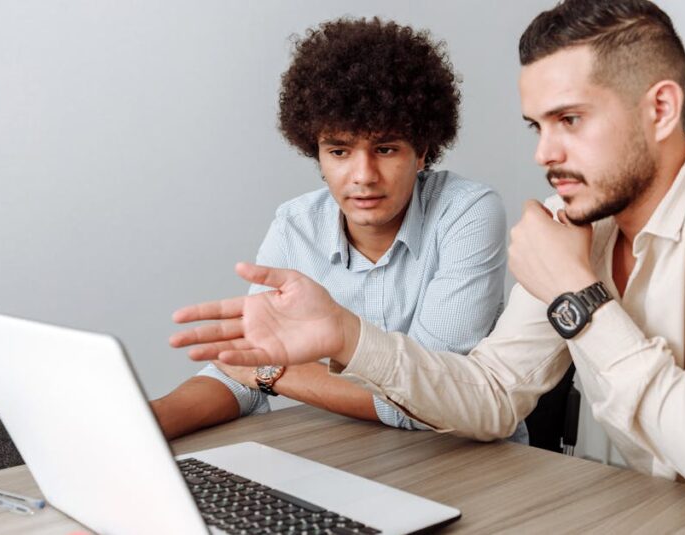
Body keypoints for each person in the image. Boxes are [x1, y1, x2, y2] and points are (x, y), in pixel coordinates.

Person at [169, 1, 685, 532]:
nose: (544, 153)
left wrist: (577, 295)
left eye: (570, 120)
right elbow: (490, 396)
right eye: (536, 126)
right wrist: (348, 335)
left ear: (660, 108)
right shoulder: (584, 216)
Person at [153, 17, 523, 443]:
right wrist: (148, 419)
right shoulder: (295, 225)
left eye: (385, 149)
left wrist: (270, 373)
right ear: (318, 154)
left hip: (477, 469)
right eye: (339, 151)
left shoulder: (466, 213)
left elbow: (430, 397)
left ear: (422, 151)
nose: (363, 175)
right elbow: (240, 369)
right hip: (354, 459)